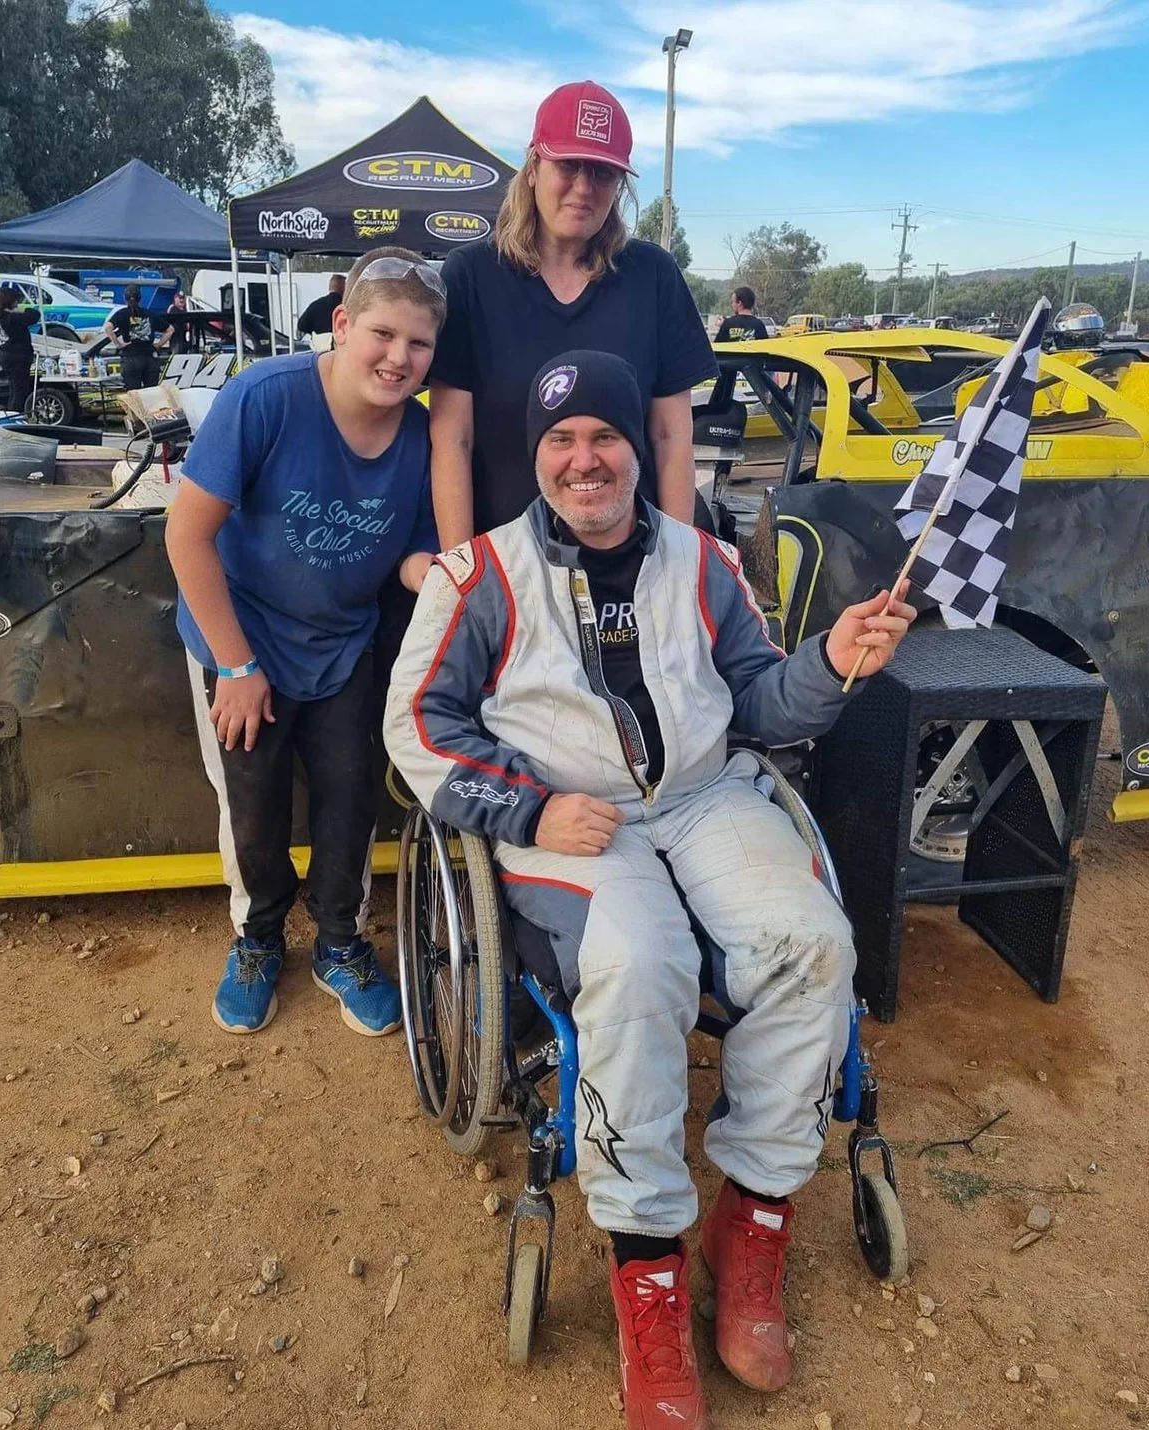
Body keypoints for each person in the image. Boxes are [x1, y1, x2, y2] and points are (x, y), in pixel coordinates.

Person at [385, 350, 916, 1429]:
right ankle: (646, 1266)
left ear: (638, 447)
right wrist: (528, 809)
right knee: (639, 965)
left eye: (605, 437)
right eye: (561, 440)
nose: (584, 460)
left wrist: (833, 657)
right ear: (536, 456)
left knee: (813, 941)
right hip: (569, 814)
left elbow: (761, 703)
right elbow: (417, 727)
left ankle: (752, 1220)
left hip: (705, 795)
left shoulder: (705, 561)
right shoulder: (477, 577)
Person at [165, 245, 443, 1038]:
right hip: (240, 634)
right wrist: (236, 665)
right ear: (343, 324)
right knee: (251, 800)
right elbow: (186, 536)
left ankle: (340, 943)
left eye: (418, 344)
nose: (398, 358)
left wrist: (445, 575)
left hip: (344, 642)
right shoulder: (265, 397)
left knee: (349, 794)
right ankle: (256, 938)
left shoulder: (423, 434)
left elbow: (414, 551)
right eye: (383, 334)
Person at [429, 80, 716, 547]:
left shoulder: (653, 275)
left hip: (630, 563)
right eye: (568, 165)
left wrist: (678, 559)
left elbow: (670, 436)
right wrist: (463, 567)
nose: (584, 188)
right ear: (533, 167)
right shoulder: (472, 275)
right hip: (505, 560)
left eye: (602, 172)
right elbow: (452, 439)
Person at [104, 283, 172, 390]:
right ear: (140, 299)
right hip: (150, 358)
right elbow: (170, 329)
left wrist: (119, 344)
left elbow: (108, 327)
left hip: (131, 357)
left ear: (125, 298)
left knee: (134, 393)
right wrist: (158, 345)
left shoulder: (122, 314)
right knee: (151, 393)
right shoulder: (149, 314)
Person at [0, 287, 39, 415]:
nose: (17, 303)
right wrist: (24, 309)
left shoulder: (3, 317)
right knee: (20, 390)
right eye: (16, 301)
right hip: (17, 356)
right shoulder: (12, 319)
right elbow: (34, 315)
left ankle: (11, 412)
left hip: (7, 354)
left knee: (14, 388)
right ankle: (15, 414)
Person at [298, 274, 347, 339]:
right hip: (340, 342)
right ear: (344, 289)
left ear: (330, 288)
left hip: (319, 343)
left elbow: (301, 327)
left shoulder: (315, 305)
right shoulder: (346, 307)